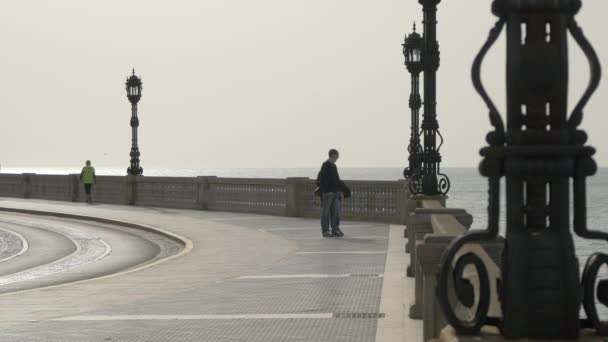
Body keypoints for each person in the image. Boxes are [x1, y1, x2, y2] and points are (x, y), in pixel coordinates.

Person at [318, 149, 344, 237]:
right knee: (325, 213)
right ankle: (325, 231)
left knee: (335, 213)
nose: (337, 158)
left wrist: (339, 191)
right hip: (328, 193)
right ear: (333, 155)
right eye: (337, 156)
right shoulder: (325, 165)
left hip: (335, 193)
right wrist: (326, 191)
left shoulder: (334, 166)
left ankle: (334, 229)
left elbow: (337, 180)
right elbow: (322, 180)